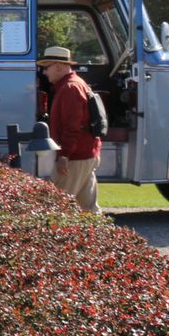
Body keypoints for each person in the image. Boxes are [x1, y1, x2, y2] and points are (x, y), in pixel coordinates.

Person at [40, 46, 102, 214]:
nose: (44, 72)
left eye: (47, 67)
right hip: (85, 154)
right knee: (88, 209)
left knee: (56, 205)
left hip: (75, 157)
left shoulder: (69, 88)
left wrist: (64, 155)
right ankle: (98, 238)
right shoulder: (75, 84)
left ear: (59, 66)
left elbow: (72, 127)